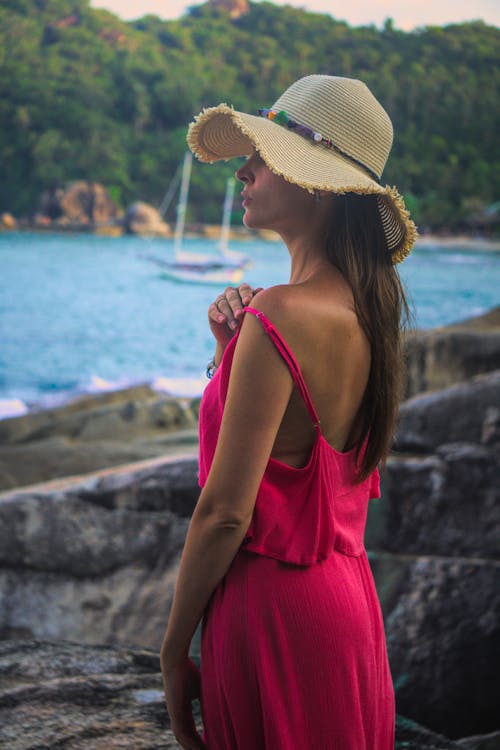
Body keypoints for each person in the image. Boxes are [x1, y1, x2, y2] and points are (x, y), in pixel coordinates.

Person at [160, 74, 417, 750]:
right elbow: (301, 453)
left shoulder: (281, 313)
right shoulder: (368, 313)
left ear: (318, 185)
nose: (243, 168)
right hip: (346, 610)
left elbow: (225, 513)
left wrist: (171, 649)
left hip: (274, 615)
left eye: (264, 155)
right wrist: (230, 356)